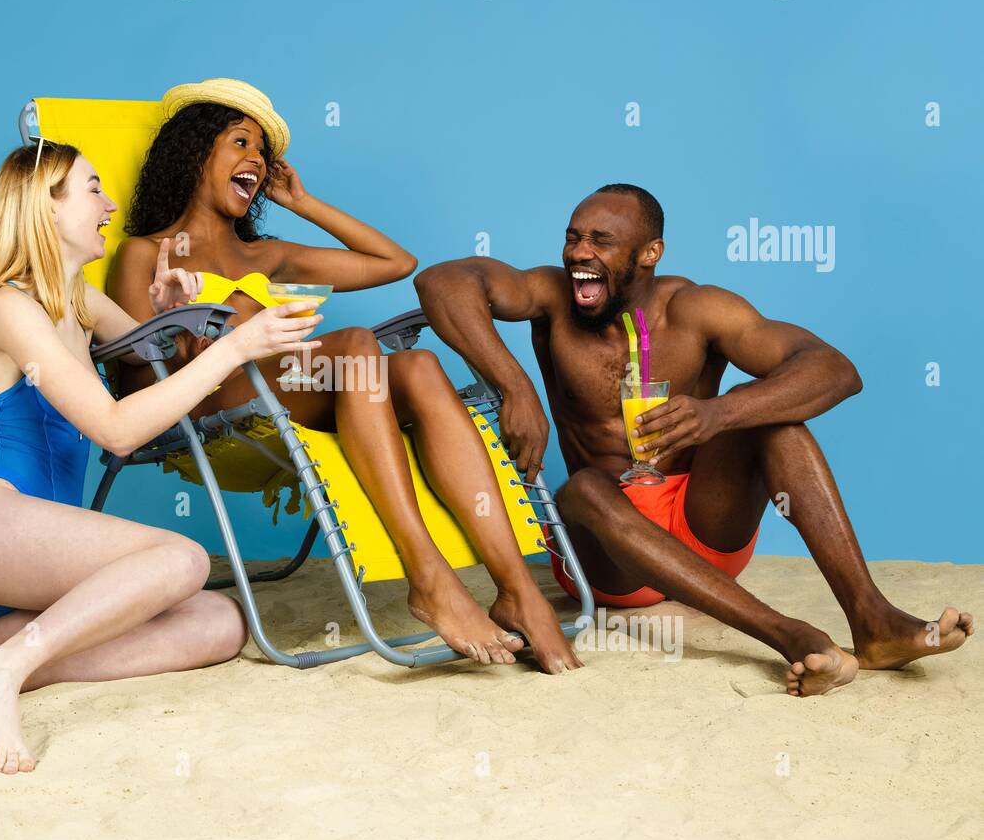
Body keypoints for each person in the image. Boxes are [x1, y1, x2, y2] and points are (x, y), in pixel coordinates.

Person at [414, 182, 973, 695]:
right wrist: (515, 386)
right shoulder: (552, 295)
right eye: (573, 238)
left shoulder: (698, 309)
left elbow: (835, 370)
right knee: (582, 487)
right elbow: (441, 281)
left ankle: (873, 621)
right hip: (609, 560)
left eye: (601, 242)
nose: (580, 253)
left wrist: (720, 413)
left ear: (649, 253)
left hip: (705, 530)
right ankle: (788, 634)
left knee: (775, 424)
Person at [111, 78, 580, 671]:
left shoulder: (267, 255)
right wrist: (171, 313)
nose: (255, 159)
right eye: (239, 142)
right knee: (358, 343)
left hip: (293, 392)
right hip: (210, 409)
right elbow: (130, 361)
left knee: (417, 365)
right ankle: (428, 575)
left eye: (262, 151)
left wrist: (301, 204)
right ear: (196, 152)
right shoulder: (144, 252)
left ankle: (518, 590)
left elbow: (396, 263)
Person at [0, 139, 322, 774]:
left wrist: (166, 317)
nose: (111, 204)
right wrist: (236, 348)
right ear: (45, 209)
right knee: (182, 559)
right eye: (93, 189)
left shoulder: (80, 300)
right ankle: (6, 672)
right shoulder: (8, 307)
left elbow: (146, 364)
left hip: (43, 567)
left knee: (221, 623)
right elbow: (117, 429)